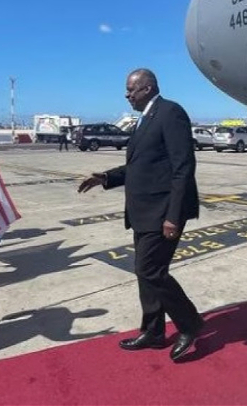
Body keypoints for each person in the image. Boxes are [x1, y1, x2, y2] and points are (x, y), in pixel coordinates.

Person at [78, 68, 204, 361]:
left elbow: (183, 166)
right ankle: (153, 331)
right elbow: (140, 165)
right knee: (145, 273)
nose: (127, 95)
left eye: (131, 89)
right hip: (143, 212)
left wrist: (173, 216)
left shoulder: (170, 113)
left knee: (150, 271)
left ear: (147, 89)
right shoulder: (145, 118)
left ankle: (190, 324)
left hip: (163, 212)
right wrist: (106, 177)